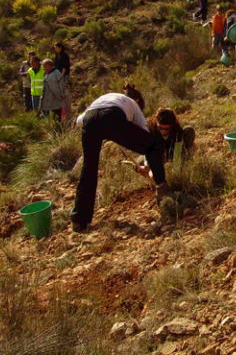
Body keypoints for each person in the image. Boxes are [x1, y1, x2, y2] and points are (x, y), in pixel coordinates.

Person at [70, 84, 166, 232]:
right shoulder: (134, 104)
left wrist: (104, 132)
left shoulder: (108, 97)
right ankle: (162, 190)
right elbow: (146, 138)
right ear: (138, 100)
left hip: (89, 119)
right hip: (112, 115)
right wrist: (147, 165)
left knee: (89, 168)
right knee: (154, 145)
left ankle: (79, 220)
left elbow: (79, 121)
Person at [54, 42, 71, 120]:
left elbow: (65, 67)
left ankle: (66, 112)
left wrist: (61, 76)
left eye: (56, 47)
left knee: (64, 92)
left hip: (63, 76)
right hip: (58, 76)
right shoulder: (57, 55)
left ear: (60, 47)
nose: (55, 49)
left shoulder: (64, 55)